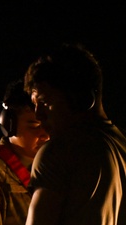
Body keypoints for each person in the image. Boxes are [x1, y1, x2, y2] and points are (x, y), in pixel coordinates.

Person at [23, 43, 126, 225]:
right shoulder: (121, 146)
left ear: (81, 98)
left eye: (45, 101)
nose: (38, 115)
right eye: (35, 104)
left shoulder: (59, 151)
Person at [0, 79, 49, 225]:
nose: (46, 135)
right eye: (35, 126)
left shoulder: (50, 170)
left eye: (47, 125)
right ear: (9, 124)